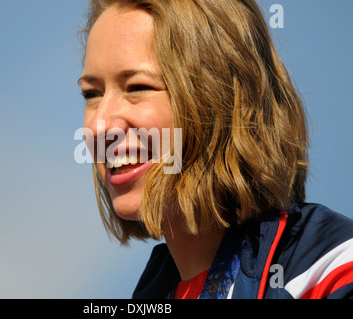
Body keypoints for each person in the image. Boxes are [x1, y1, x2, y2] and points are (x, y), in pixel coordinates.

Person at [77, 0, 353, 299]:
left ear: (221, 99)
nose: (99, 126)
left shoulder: (329, 270)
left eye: (137, 87)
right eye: (92, 93)